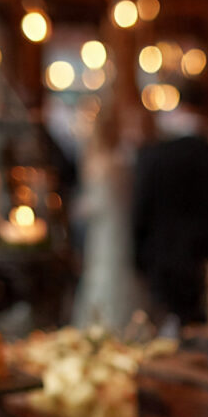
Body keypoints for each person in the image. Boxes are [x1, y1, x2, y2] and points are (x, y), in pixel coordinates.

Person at [131, 78, 208, 331]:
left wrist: (141, 261)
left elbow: (140, 215)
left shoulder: (153, 156)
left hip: (162, 264)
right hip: (207, 267)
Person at [72, 102, 137, 330]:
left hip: (107, 227)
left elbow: (99, 202)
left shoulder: (101, 164)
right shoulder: (123, 162)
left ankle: (107, 326)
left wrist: (78, 209)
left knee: (106, 271)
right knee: (108, 269)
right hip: (117, 227)